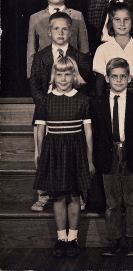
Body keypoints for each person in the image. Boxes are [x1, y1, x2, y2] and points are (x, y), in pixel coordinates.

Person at [33, 56, 95, 258]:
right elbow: (40, 131)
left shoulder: (83, 100)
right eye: (59, 74)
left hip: (75, 152)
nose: (63, 78)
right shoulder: (45, 101)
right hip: (54, 153)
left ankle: (73, 238)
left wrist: (89, 159)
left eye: (67, 74)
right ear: (53, 76)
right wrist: (40, 155)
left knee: (74, 196)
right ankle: (61, 238)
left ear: (74, 75)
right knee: (58, 196)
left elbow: (88, 133)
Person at [30, 12, 92, 213]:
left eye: (65, 28)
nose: (60, 32)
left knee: (74, 155)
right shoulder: (40, 57)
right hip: (48, 110)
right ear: (49, 31)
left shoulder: (80, 57)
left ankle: (78, 193)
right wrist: (47, 106)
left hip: (72, 112)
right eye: (56, 28)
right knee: (45, 155)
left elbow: (84, 87)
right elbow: (35, 85)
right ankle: (44, 193)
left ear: (71, 32)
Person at [91, 58, 133, 257]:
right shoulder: (97, 102)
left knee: (132, 200)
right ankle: (114, 241)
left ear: (129, 77)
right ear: (106, 78)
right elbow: (96, 133)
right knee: (112, 202)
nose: (118, 80)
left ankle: (132, 241)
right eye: (114, 76)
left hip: (131, 154)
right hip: (108, 155)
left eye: (123, 76)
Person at [27, 0, 89, 79]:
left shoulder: (77, 15)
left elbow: (84, 46)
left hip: (71, 69)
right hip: (45, 70)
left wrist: (84, 72)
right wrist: (31, 74)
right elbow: (31, 49)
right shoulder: (35, 18)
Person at [93, 2, 133, 96]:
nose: (122, 24)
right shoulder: (102, 49)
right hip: (110, 96)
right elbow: (99, 81)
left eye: (126, 19)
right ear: (111, 22)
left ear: (132, 21)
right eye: (117, 20)